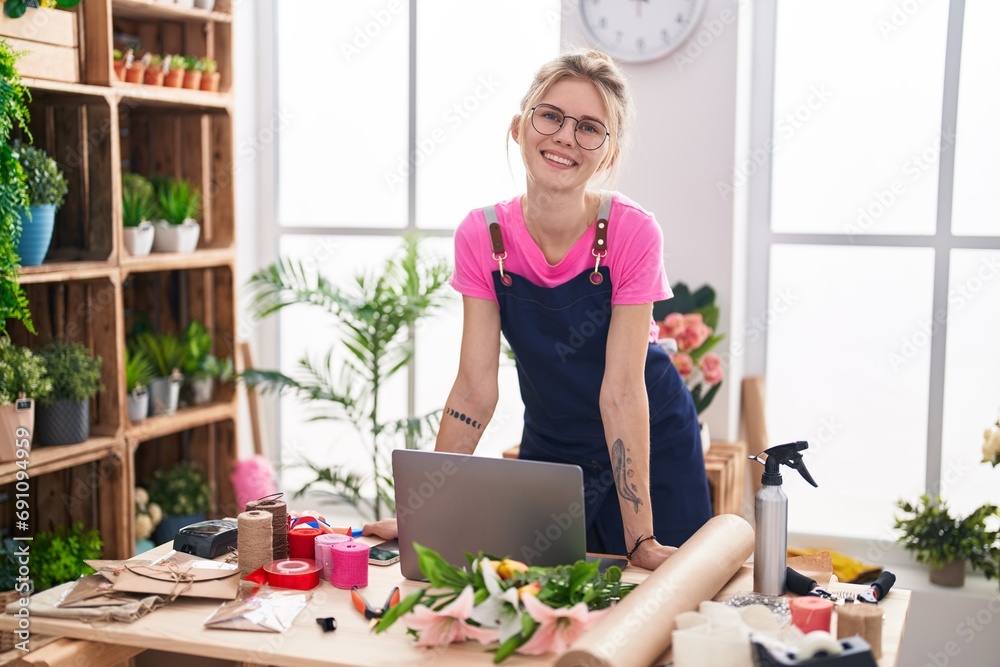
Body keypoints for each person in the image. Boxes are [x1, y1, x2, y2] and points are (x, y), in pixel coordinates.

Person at [365, 50, 711, 571]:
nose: (566, 137)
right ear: (518, 126)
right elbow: (475, 389)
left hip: (649, 439)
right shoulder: (483, 236)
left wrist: (641, 539)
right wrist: (426, 516)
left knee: (662, 603)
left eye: (590, 128)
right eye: (550, 115)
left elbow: (620, 391)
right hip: (553, 449)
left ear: (608, 155)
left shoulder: (632, 231)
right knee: (541, 596)